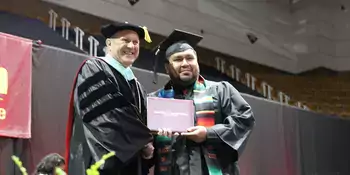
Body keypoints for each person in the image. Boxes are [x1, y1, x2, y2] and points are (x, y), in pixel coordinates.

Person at [149, 29, 255, 175]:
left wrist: (208, 133)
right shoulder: (156, 102)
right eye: (178, 59)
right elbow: (146, 149)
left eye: (190, 58)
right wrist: (152, 143)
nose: (185, 63)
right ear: (167, 68)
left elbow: (244, 120)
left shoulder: (221, 91)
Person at [65, 22, 154, 175]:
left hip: (131, 165)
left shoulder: (137, 85)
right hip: (99, 161)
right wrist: (144, 141)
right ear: (109, 44)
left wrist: (152, 144)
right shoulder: (94, 68)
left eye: (135, 42)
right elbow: (107, 117)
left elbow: (144, 123)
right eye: (125, 41)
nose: (131, 46)